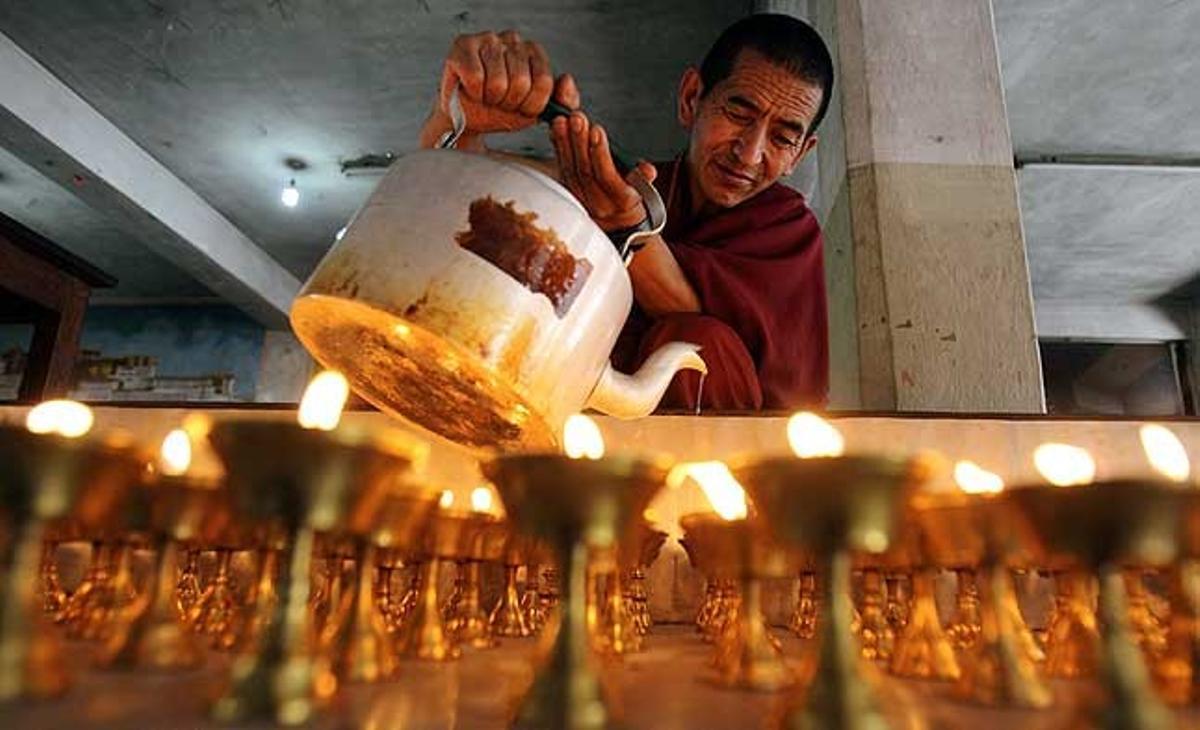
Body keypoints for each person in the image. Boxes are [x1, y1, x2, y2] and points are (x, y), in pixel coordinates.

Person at [418, 14, 832, 411]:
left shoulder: (788, 228)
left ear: (802, 153)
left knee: (696, 344)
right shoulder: (624, 185)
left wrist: (622, 226)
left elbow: (685, 308)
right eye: (738, 114)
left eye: (781, 138)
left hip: (725, 458)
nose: (750, 153)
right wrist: (461, 119)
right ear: (692, 98)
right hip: (575, 430)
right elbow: (459, 186)